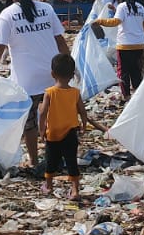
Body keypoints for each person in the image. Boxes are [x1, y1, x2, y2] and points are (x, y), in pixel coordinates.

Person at [0, 0, 71, 173]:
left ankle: (34, 160)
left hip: (26, 81)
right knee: (53, 120)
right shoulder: (46, 9)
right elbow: (60, 40)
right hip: (52, 76)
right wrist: (70, 66)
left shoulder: (7, 14)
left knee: (29, 124)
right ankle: (56, 158)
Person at [38, 52, 106, 200]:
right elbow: (82, 111)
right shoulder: (75, 92)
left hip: (53, 133)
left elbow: (43, 112)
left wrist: (41, 130)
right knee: (71, 161)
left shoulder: (49, 92)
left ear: (52, 73)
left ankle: (48, 185)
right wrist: (84, 125)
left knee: (51, 160)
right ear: (72, 75)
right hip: (70, 133)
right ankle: (75, 190)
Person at [92, 0, 144, 100]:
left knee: (123, 71)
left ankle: (126, 95)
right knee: (135, 70)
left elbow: (116, 22)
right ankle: (138, 94)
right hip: (138, 45)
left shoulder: (122, 6)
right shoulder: (140, 7)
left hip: (124, 45)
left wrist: (100, 21)